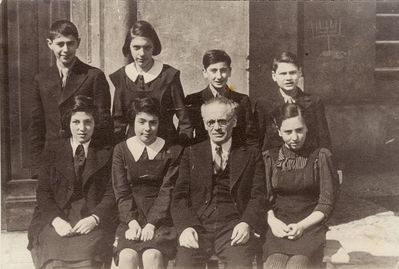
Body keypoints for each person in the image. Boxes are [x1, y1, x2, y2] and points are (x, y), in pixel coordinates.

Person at [172, 96, 267, 269]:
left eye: (222, 122)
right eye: (210, 122)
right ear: (204, 123)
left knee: (240, 266)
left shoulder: (250, 153)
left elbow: (258, 195)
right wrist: (185, 227)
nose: (216, 128)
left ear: (235, 121)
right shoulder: (192, 152)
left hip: (234, 227)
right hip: (198, 226)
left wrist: (247, 223)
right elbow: (179, 197)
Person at [27, 96, 116, 269]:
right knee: (52, 253)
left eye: (87, 122)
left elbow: (111, 192)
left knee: (89, 258)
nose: (82, 128)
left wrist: (95, 218)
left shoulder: (107, 152)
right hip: (58, 215)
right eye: (76, 122)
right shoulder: (52, 150)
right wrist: (56, 220)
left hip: (90, 217)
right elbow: (43, 192)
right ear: (68, 123)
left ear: (95, 123)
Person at [30, 20, 112, 177]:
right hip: (52, 156)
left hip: (85, 157)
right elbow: (37, 125)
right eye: (60, 44)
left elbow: (103, 121)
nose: (66, 50)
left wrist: (100, 159)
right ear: (50, 44)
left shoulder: (93, 76)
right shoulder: (41, 79)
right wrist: (37, 167)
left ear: (78, 43)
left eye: (70, 43)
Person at [262, 103, 339, 269]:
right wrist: (273, 222)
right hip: (278, 227)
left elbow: (326, 203)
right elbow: (264, 199)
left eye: (299, 130)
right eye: (288, 132)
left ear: (307, 129)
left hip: (310, 227)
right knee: (273, 265)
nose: (295, 137)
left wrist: (301, 226)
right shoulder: (269, 157)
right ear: (279, 131)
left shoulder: (321, 156)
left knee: (297, 266)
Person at [112, 97, 183, 269]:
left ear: (159, 123)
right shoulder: (121, 150)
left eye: (153, 122)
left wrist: (152, 223)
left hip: (161, 219)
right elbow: (121, 190)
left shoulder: (171, 150)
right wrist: (132, 222)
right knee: (127, 256)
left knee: (153, 255)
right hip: (130, 217)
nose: (147, 128)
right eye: (141, 122)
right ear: (132, 122)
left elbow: (168, 190)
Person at [110, 20, 192, 146]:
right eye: (136, 47)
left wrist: (180, 149)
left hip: (167, 146)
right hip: (133, 148)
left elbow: (184, 120)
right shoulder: (122, 77)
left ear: (154, 47)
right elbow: (118, 123)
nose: (142, 53)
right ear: (128, 47)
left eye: (147, 47)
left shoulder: (169, 75)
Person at [256, 51, 331, 151]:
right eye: (283, 74)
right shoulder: (264, 104)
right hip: (276, 162)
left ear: (300, 72)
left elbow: (324, 141)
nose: (288, 78)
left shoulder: (314, 102)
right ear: (274, 76)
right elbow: (257, 141)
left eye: (292, 73)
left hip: (307, 161)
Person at [185, 49, 258, 145]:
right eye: (213, 71)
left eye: (223, 70)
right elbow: (186, 135)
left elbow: (251, 138)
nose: (219, 76)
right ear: (205, 72)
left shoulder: (242, 100)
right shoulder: (194, 100)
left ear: (230, 71)